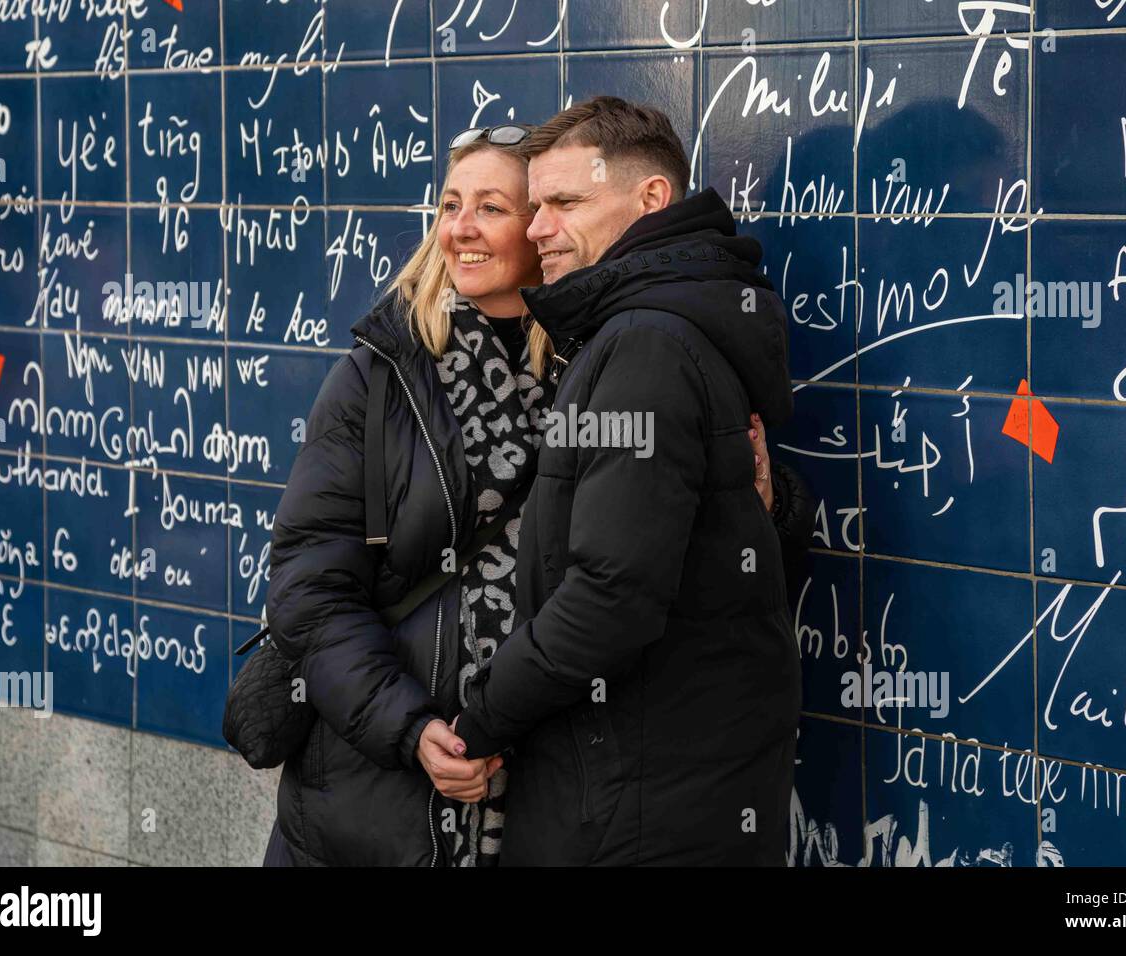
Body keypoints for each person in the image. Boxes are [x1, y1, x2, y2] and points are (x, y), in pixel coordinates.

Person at [258, 118, 812, 866]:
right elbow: (307, 584)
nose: (461, 229)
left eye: (494, 207)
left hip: (551, 788)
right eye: (450, 206)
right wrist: (412, 728)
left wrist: (769, 511)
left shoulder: (602, 357)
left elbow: (663, 568)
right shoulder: (379, 378)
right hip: (380, 792)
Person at [452, 96, 809, 866]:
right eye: (536, 204)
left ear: (651, 198)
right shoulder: (658, 324)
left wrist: (481, 720)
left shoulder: (644, 343)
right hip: (669, 783)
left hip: (638, 800)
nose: (537, 228)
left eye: (564, 203)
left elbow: (611, 596)